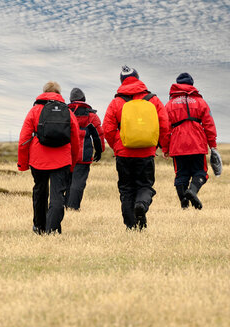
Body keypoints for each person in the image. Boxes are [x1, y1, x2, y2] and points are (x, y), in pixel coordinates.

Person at [103, 66, 170, 230]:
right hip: (146, 152)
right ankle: (141, 205)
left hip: (124, 153)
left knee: (126, 190)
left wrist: (117, 146)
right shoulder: (153, 100)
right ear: (138, 78)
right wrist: (164, 146)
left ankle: (131, 226)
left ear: (121, 81)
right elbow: (164, 125)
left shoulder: (116, 102)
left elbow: (108, 129)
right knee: (145, 186)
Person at [17, 81, 80, 234]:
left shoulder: (34, 111)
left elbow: (24, 139)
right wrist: (72, 163)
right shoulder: (68, 112)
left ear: (43, 92)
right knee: (57, 194)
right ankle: (52, 229)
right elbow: (76, 140)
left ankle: (39, 226)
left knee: (40, 191)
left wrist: (23, 163)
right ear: (59, 93)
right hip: (62, 160)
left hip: (38, 160)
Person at [163, 72, 217, 210]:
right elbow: (209, 125)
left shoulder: (169, 105)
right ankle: (192, 191)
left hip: (177, 145)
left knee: (181, 174)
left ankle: (184, 204)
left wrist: (165, 148)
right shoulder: (201, 102)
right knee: (201, 172)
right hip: (197, 143)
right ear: (192, 85)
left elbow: (164, 128)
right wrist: (213, 145)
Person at [65, 88, 105, 210]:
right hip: (83, 155)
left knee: (67, 182)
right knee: (78, 183)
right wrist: (99, 150)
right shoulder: (91, 115)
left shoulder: (65, 113)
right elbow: (99, 135)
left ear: (71, 100)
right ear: (84, 99)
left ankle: (64, 206)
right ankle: (73, 207)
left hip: (66, 154)